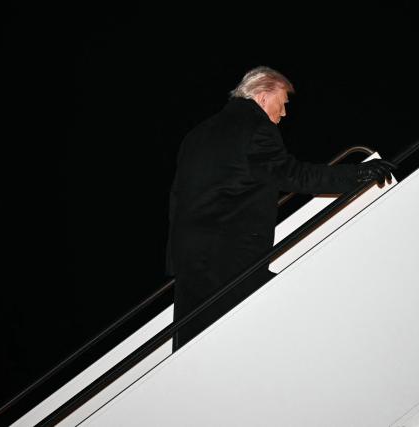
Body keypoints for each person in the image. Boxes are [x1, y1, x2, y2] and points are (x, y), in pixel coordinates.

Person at [167, 66, 395, 350]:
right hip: (229, 260)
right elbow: (295, 175)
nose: (284, 113)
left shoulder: (196, 135)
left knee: (191, 352)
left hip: (188, 262)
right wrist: (358, 174)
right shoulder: (254, 126)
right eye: (283, 103)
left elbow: (178, 199)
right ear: (263, 96)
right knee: (283, 323)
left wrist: (176, 262)